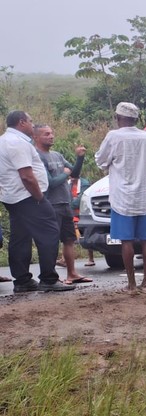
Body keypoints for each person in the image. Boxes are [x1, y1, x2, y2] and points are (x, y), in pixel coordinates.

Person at [0, 111, 75, 293]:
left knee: (20, 236)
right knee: (49, 232)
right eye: (30, 122)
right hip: (28, 196)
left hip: (13, 196)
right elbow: (26, 176)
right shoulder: (17, 143)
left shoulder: (3, 141)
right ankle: (48, 279)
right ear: (21, 122)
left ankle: (23, 280)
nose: (32, 125)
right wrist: (40, 198)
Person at [95, 102, 146, 295]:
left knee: (126, 241)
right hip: (145, 197)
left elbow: (101, 160)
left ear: (118, 118)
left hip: (123, 197)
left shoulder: (114, 136)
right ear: (136, 119)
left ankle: (131, 284)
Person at [34, 123, 90, 285]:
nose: (51, 136)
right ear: (36, 137)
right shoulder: (37, 157)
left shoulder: (57, 155)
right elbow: (49, 182)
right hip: (50, 204)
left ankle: (71, 273)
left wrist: (80, 158)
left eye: (51, 133)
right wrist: (65, 175)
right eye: (46, 134)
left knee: (69, 240)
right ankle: (51, 277)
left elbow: (75, 173)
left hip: (65, 203)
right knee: (50, 241)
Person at [70, 177, 97, 266]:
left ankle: (91, 258)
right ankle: (65, 259)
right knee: (67, 235)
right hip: (72, 213)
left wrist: (71, 203)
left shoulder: (84, 183)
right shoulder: (68, 183)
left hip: (83, 212)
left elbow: (78, 201)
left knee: (86, 232)